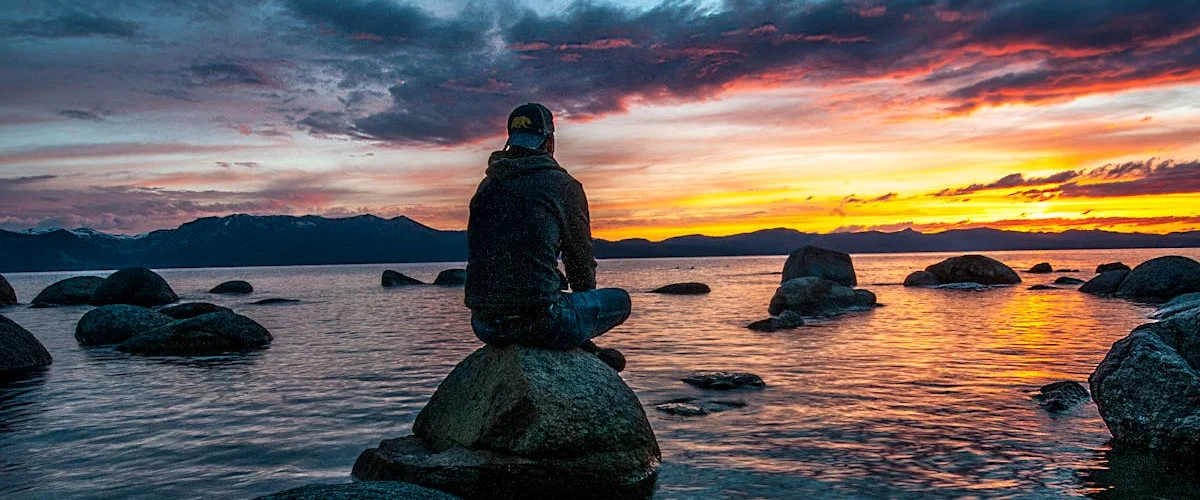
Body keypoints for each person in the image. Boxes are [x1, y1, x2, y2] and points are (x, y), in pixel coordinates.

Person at [465, 102, 630, 371]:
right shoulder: (562, 185)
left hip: (484, 325)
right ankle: (583, 348)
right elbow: (579, 259)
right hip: (540, 322)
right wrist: (581, 313)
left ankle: (579, 344)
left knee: (551, 291)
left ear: (511, 141)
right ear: (549, 141)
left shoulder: (486, 187)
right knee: (620, 300)